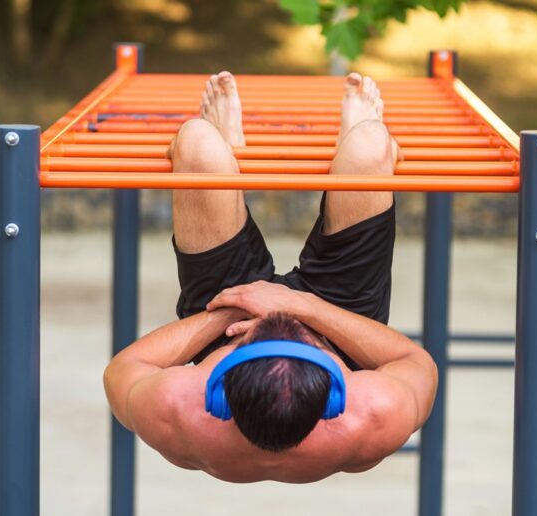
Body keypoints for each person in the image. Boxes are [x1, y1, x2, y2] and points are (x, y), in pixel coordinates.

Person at [103, 71, 438, 483]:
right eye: (293, 335)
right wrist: (306, 309)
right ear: (339, 391)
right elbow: (415, 361)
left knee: (196, 141)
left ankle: (226, 151)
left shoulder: (178, 407)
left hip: (226, 317)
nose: (283, 324)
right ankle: (356, 146)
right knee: (370, 144)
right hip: (337, 317)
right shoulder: (374, 412)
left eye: (265, 336)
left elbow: (125, 366)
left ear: (215, 389)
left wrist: (234, 314)